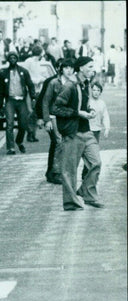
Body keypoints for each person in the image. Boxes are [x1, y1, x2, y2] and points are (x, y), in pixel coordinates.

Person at [51, 56, 103, 210]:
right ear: (81, 68)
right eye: (90, 67)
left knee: (96, 163)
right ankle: (70, 203)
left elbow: (84, 105)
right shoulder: (70, 86)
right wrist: (77, 113)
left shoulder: (85, 84)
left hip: (86, 131)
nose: (92, 70)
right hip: (72, 132)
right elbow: (56, 108)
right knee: (69, 170)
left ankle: (86, 192)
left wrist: (90, 110)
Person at [40, 58, 75, 184]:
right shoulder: (54, 83)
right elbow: (45, 101)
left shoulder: (73, 83)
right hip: (54, 117)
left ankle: (62, 171)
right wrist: (46, 120)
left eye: (71, 68)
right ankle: (56, 172)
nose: (69, 70)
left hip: (68, 117)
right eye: (66, 68)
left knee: (67, 144)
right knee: (58, 142)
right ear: (61, 69)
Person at [0, 52, 36, 154]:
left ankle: (19, 141)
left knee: (23, 124)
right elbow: (0, 91)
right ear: (8, 60)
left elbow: (30, 85)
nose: (12, 59)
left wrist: (33, 97)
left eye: (14, 57)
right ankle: (11, 148)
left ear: (17, 59)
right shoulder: (4, 73)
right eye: (10, 58)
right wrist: (0, 105)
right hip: (10, 100)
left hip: (21, 100)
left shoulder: (23, 71)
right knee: (9, 124)